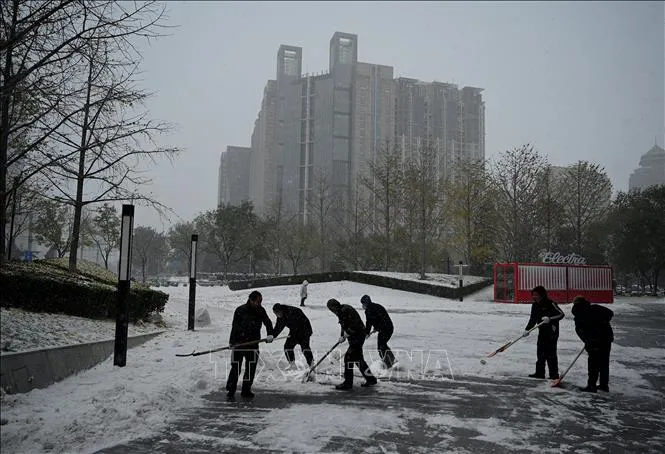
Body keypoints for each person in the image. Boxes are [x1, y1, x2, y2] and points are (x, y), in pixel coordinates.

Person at [225, 291, 274, 401]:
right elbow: (234, 326)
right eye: (258, 301)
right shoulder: (240, 310)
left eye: (261, 301)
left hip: (253, 344)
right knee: (235, 368)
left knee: (251, 368)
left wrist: (270, 334)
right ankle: (231, 390)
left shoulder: (260, 310)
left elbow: (268, 322)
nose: (260, 303)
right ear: (251, 300)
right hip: (239, 344)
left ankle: (246, 390)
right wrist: (232, 342)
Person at [327, 299, 377, 390]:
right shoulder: (341, 310)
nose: (332, 311)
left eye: (331, 309)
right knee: (358, 359)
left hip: (358, 336)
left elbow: (355, 325)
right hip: (355, 336)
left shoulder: (345, 310)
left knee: (348, 358)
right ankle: (371, 379)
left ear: (334, 307)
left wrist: (348, 333)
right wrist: (342, 335)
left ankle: (348, 383)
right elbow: (343, 324)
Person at [572, 296, 614, 393]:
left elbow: (581, 330)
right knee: (604, 363)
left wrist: (589, 341)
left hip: (595, 341)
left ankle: (592, 386)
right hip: (605, 339)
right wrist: (602, 323)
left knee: (593, 364)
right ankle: (604, 385)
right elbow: (610, 313)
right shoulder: (595, 308)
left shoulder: (579, 312)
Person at [523, 285, 565, 379]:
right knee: (540, 352)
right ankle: (540, 373)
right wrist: (527, 329)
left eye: (536, 295)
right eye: (533, 295)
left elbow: (561, 314)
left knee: (551, 354)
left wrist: (549, 319)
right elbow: (533, 319)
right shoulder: (535, 305)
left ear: (542, 295)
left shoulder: (551, 303)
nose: (534, 297)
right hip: (542, 331)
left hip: (552, 332)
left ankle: (554, 375)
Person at [272, 303, 314, 369]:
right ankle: (292, 365)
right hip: (294, 331)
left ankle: (311, 365)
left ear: (281, 310)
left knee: (305, 348)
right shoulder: (280, 317)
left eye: (278, 313)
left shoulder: (294, 311)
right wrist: (272, 336)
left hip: (305, 330)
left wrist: (295, 335)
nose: (277, 315)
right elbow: (278, 327)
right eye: (275, 314)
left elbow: (300, 323)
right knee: (287, 347)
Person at [361, 295, 396, 368]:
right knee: (383, 345)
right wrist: (376, 328)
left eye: (363, 304)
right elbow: (378, 319)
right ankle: (392, 361)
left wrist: (367, 332)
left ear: (365, 303)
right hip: (389, 328)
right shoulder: (377, 306)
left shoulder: (369, 310)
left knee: (381, 346)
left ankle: (389, 363)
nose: (362, 306)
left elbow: (369, 322)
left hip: (385, 329)